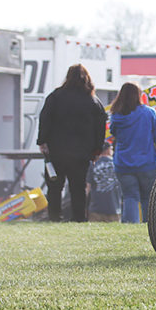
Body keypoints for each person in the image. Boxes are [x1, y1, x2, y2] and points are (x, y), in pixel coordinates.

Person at [36, 64, 107, 222]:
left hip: (57, 150)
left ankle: (54, 217)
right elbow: (100, 127)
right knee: (78, 188)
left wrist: (42, 141)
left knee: (54, 187)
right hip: (82, 153)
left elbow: (45, 119)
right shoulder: (93, 101)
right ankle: (79, 218)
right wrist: (97, 149)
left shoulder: (55, 97)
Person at [108, 82, 156, 222]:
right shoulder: (149, 113)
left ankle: (130, 226)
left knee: (130, 196)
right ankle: (149, 226)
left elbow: (113, 133)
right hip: (147, 164)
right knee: (148, 197)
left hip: (123, 164)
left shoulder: (116, 116)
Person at [87, 141, 121, 222]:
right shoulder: (117, 164)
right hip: (114, 208)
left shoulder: (93, 165)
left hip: (95, 209)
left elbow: (87, 188)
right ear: (108, 150)